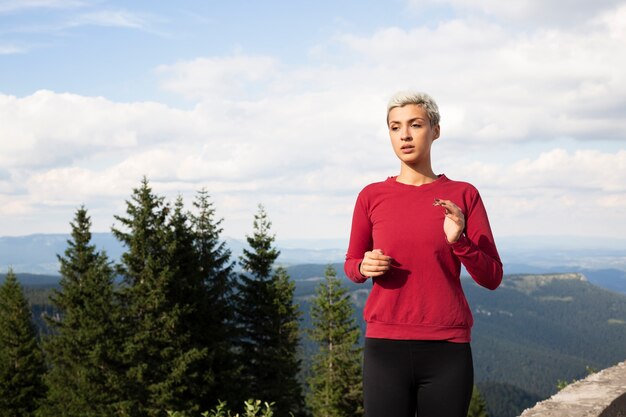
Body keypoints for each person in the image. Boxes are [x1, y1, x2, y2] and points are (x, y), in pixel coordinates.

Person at [344, 91, 503, 417]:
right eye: (394, 127)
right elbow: (351, 264)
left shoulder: (464, 195)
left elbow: (492, 277)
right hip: (384, 348)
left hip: (448, 351)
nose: (404, 134)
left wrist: (459, 241)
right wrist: (364, 265)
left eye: (415, 124)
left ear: (436, 130)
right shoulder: (371, 196)